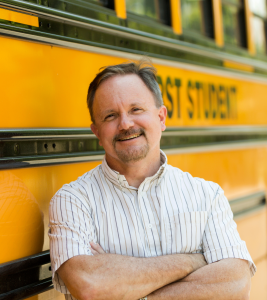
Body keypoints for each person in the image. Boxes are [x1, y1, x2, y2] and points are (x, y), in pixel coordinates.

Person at [48, 60, 256, 300]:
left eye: (136, 109)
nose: (125, 124)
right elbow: (91, 287)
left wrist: (126, 287)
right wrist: (194, 261)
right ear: (96, 132)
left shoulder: (207, 196)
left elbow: (236, 285)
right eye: (110, 116)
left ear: (161, 117)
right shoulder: (72, 201)